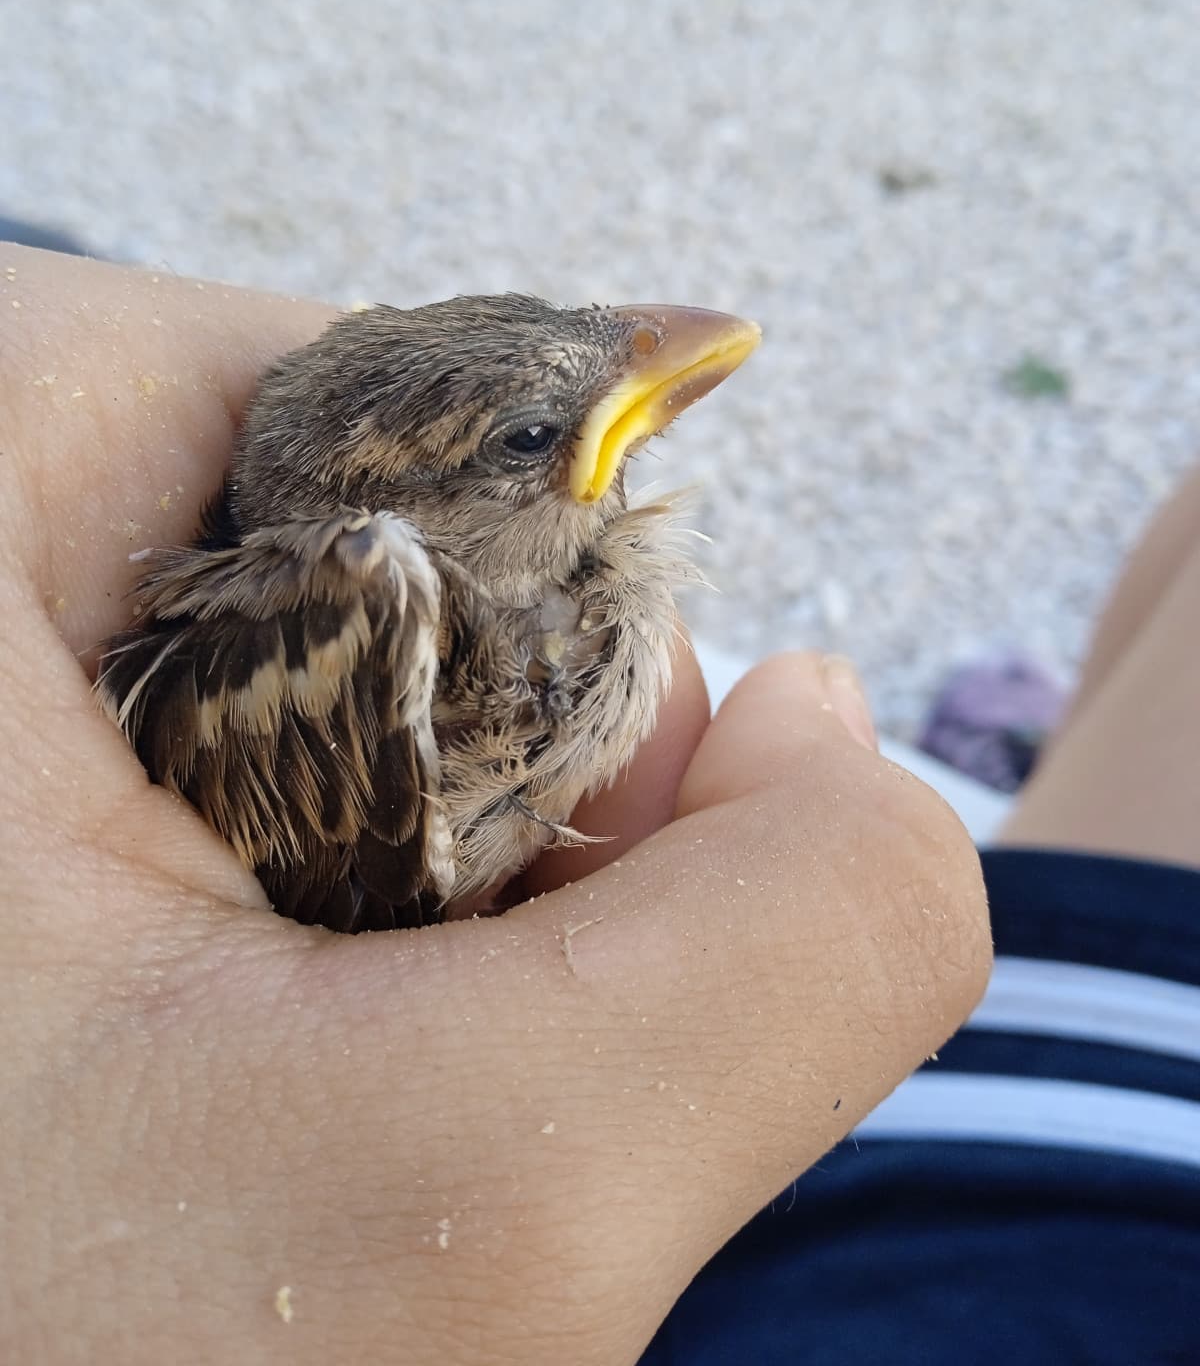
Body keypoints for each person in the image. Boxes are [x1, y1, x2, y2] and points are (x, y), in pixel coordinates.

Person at [0, 245, 1191, 1363]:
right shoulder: (358, 612)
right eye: (529, 436)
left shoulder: (533, 570)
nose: (662, 351)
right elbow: (327, 902)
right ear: (414, 506)